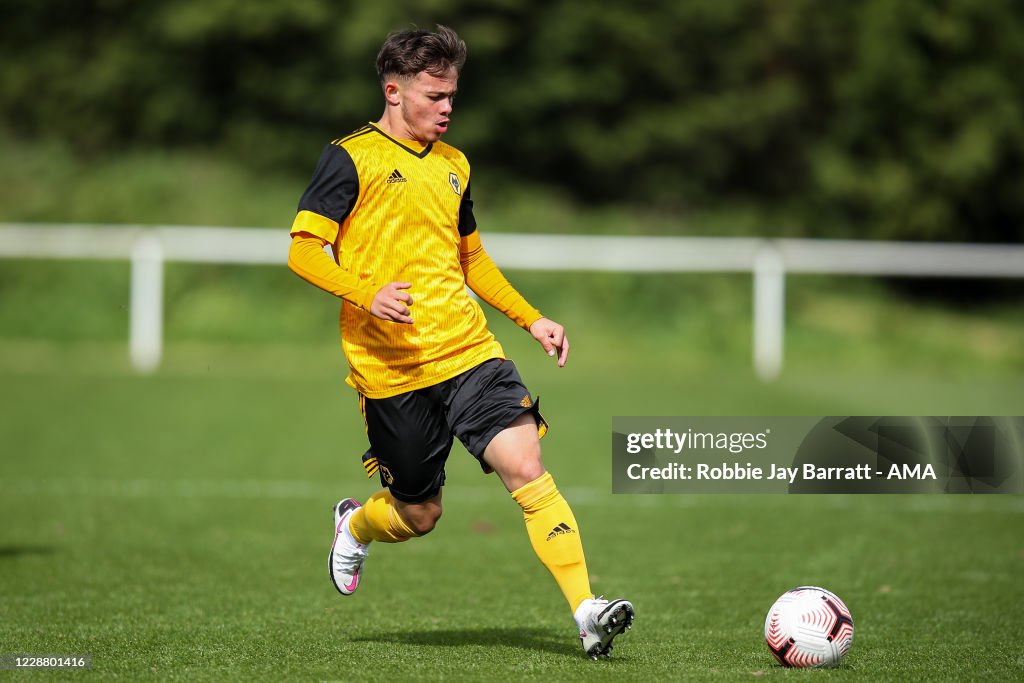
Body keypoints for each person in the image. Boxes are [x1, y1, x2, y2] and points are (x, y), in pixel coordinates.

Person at [286, 25, 633, 659]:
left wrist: (531, 319)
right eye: (434, 95)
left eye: (453, 96)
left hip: (470, 353)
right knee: (420, 515)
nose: (447, 108)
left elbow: (471, 259)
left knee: (527, 468)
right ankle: (355, 524)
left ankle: (586, 610)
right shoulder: (349, 157)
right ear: (394, 91)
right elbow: (303, 251)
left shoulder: (454, 165)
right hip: (391, 370)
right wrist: (366, 292)